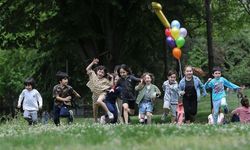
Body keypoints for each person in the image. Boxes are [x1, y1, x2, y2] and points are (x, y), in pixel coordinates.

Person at [86, 58, 114, 122]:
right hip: (94, 95)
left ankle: (109, 113)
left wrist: (112, 78)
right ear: (97, 71)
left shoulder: (105, 80)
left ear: (104, 74)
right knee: (95, 109)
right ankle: (95, 121)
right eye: (99, 71)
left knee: (99, 101)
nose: (100, 73)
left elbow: (111, 85)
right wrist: (92, 63)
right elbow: (87, 69)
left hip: (102, 93)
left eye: (102, 72)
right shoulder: (93, 75)